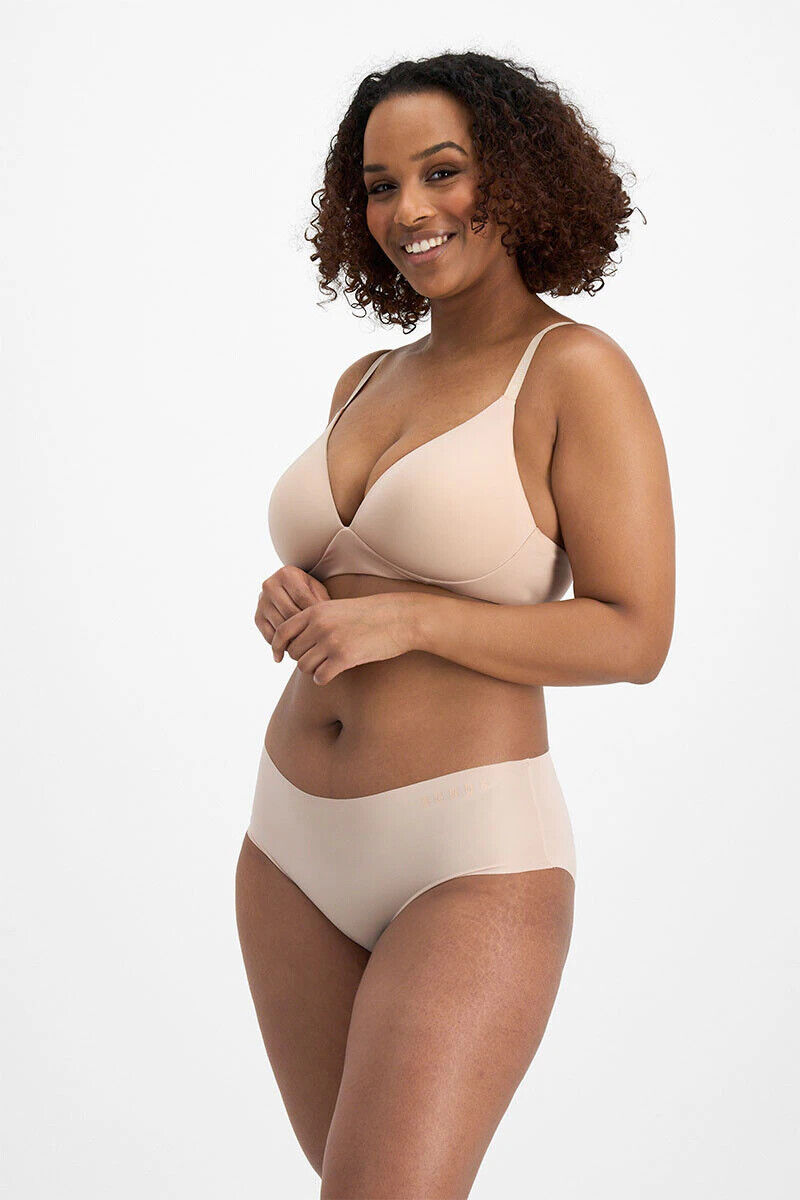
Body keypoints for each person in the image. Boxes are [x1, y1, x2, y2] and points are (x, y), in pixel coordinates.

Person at [235, 50, 675, 1199]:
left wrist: (415, 622)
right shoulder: (363, 377)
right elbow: (353, 577)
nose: (408, 211)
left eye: (442, 172)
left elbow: (633, 634)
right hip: (287, 847)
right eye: (380, 186)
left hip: (466, 856)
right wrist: (292, 593)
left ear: (517, 178)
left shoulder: (574, 370)